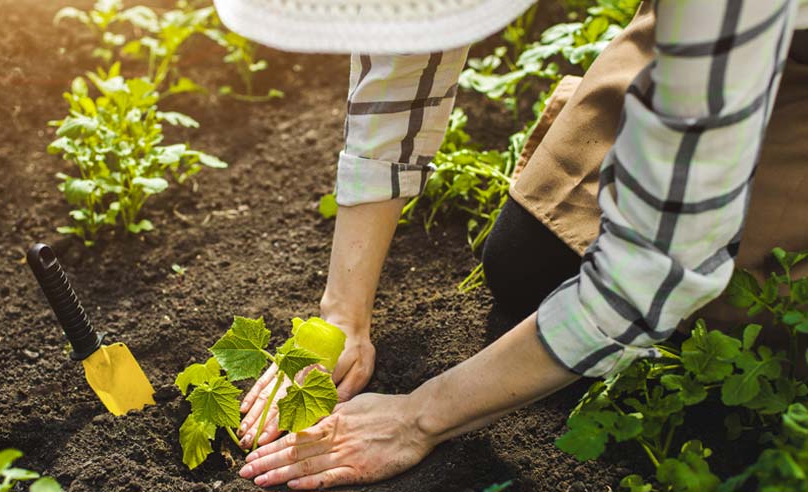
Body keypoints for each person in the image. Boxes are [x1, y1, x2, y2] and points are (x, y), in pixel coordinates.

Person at [211, 0, 808, 488]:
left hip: (750, 27)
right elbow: (406, 48)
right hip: (707, 30)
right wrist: (343, 315)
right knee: (532, 268)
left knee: (724, 316)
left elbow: (655, 269)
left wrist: (418, 418)